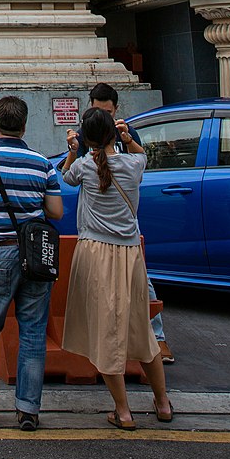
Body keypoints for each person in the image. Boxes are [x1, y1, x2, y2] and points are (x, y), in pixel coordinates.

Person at [61, 108, 173, 430]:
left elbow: (66, 177)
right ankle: (162, 403)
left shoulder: (84, 166)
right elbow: (144, 157)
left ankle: (123, 411)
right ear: (113, 131)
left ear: (86, 138)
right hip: (130, 255)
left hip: (95, 253)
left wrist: (72, 149)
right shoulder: (133, 164)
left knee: (104, 331)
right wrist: (127, 139)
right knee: (141, 329)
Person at [0, 94, 63, 432]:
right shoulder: (42, 163)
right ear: (25, 124)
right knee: (33, 332)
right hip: (33, 256)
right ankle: (28, 410)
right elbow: (56, 212)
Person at [89, 83, 174, 365]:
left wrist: (125, 139)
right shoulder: (85, 135)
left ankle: (157, 337)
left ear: (116, 111)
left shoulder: (127, 136)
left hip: (124, 225)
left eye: (107, 113)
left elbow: (139, 166)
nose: (102, 118)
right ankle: (107, 340)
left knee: (141, 283)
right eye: (97, 112)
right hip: (97, 225)